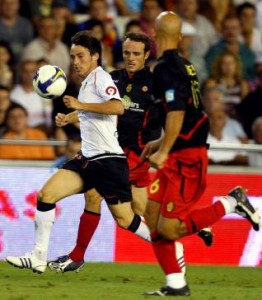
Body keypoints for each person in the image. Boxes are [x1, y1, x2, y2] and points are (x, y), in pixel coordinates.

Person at [46, 31, 213, 274]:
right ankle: (194, 225)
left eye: (136, 53)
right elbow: (96, 111)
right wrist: (70, 116)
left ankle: (78, 256)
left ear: (147, 55)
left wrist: (165, 144)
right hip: (113, 152)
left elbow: (175, 113)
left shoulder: (156, 84)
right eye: (126, 53)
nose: (131, 58)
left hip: (135, 155)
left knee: (101, 199)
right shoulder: (112, 78)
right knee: (141, 209)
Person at [5, 31, 151, 273]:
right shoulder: (87, 85)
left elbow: (117, 107)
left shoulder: (101, 78)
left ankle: (168, 247)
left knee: (126, 220)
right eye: (73, 56)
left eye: (81, 56)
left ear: (94, 56)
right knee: (46, 195)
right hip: (88, 159)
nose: (75, 62)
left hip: (108, 162)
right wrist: (71, 116)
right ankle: (38, 257)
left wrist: (79, 105)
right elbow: (93, 114)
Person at [141, 11, 260, 296]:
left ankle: (232, 203)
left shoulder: (164, 69)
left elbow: (179, 112)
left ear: (155, 36)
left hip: (187, 158)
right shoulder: (186, 65)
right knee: (152, 214)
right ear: (181, 37)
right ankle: (176, 284)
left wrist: (164, 150)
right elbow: (187, 112)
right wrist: (160, 143)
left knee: (169, 229)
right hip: (179, 150)